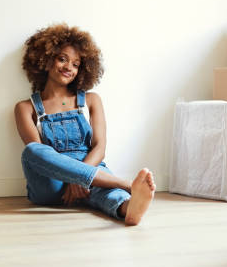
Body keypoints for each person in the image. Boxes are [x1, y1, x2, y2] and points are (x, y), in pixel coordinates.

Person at [14, 23, 155, 226]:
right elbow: (39, 156)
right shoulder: (25, 108)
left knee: (108, 193)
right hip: (51, 184)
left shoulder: (91, 100)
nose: (68, 68)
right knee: (31, 151)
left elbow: (100, 147)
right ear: (45, 59)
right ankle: (126, 184)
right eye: (62, 59)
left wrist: (81, 179)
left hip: (92, 171)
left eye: (75, 64)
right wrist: (76, 178)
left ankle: (128, 209)